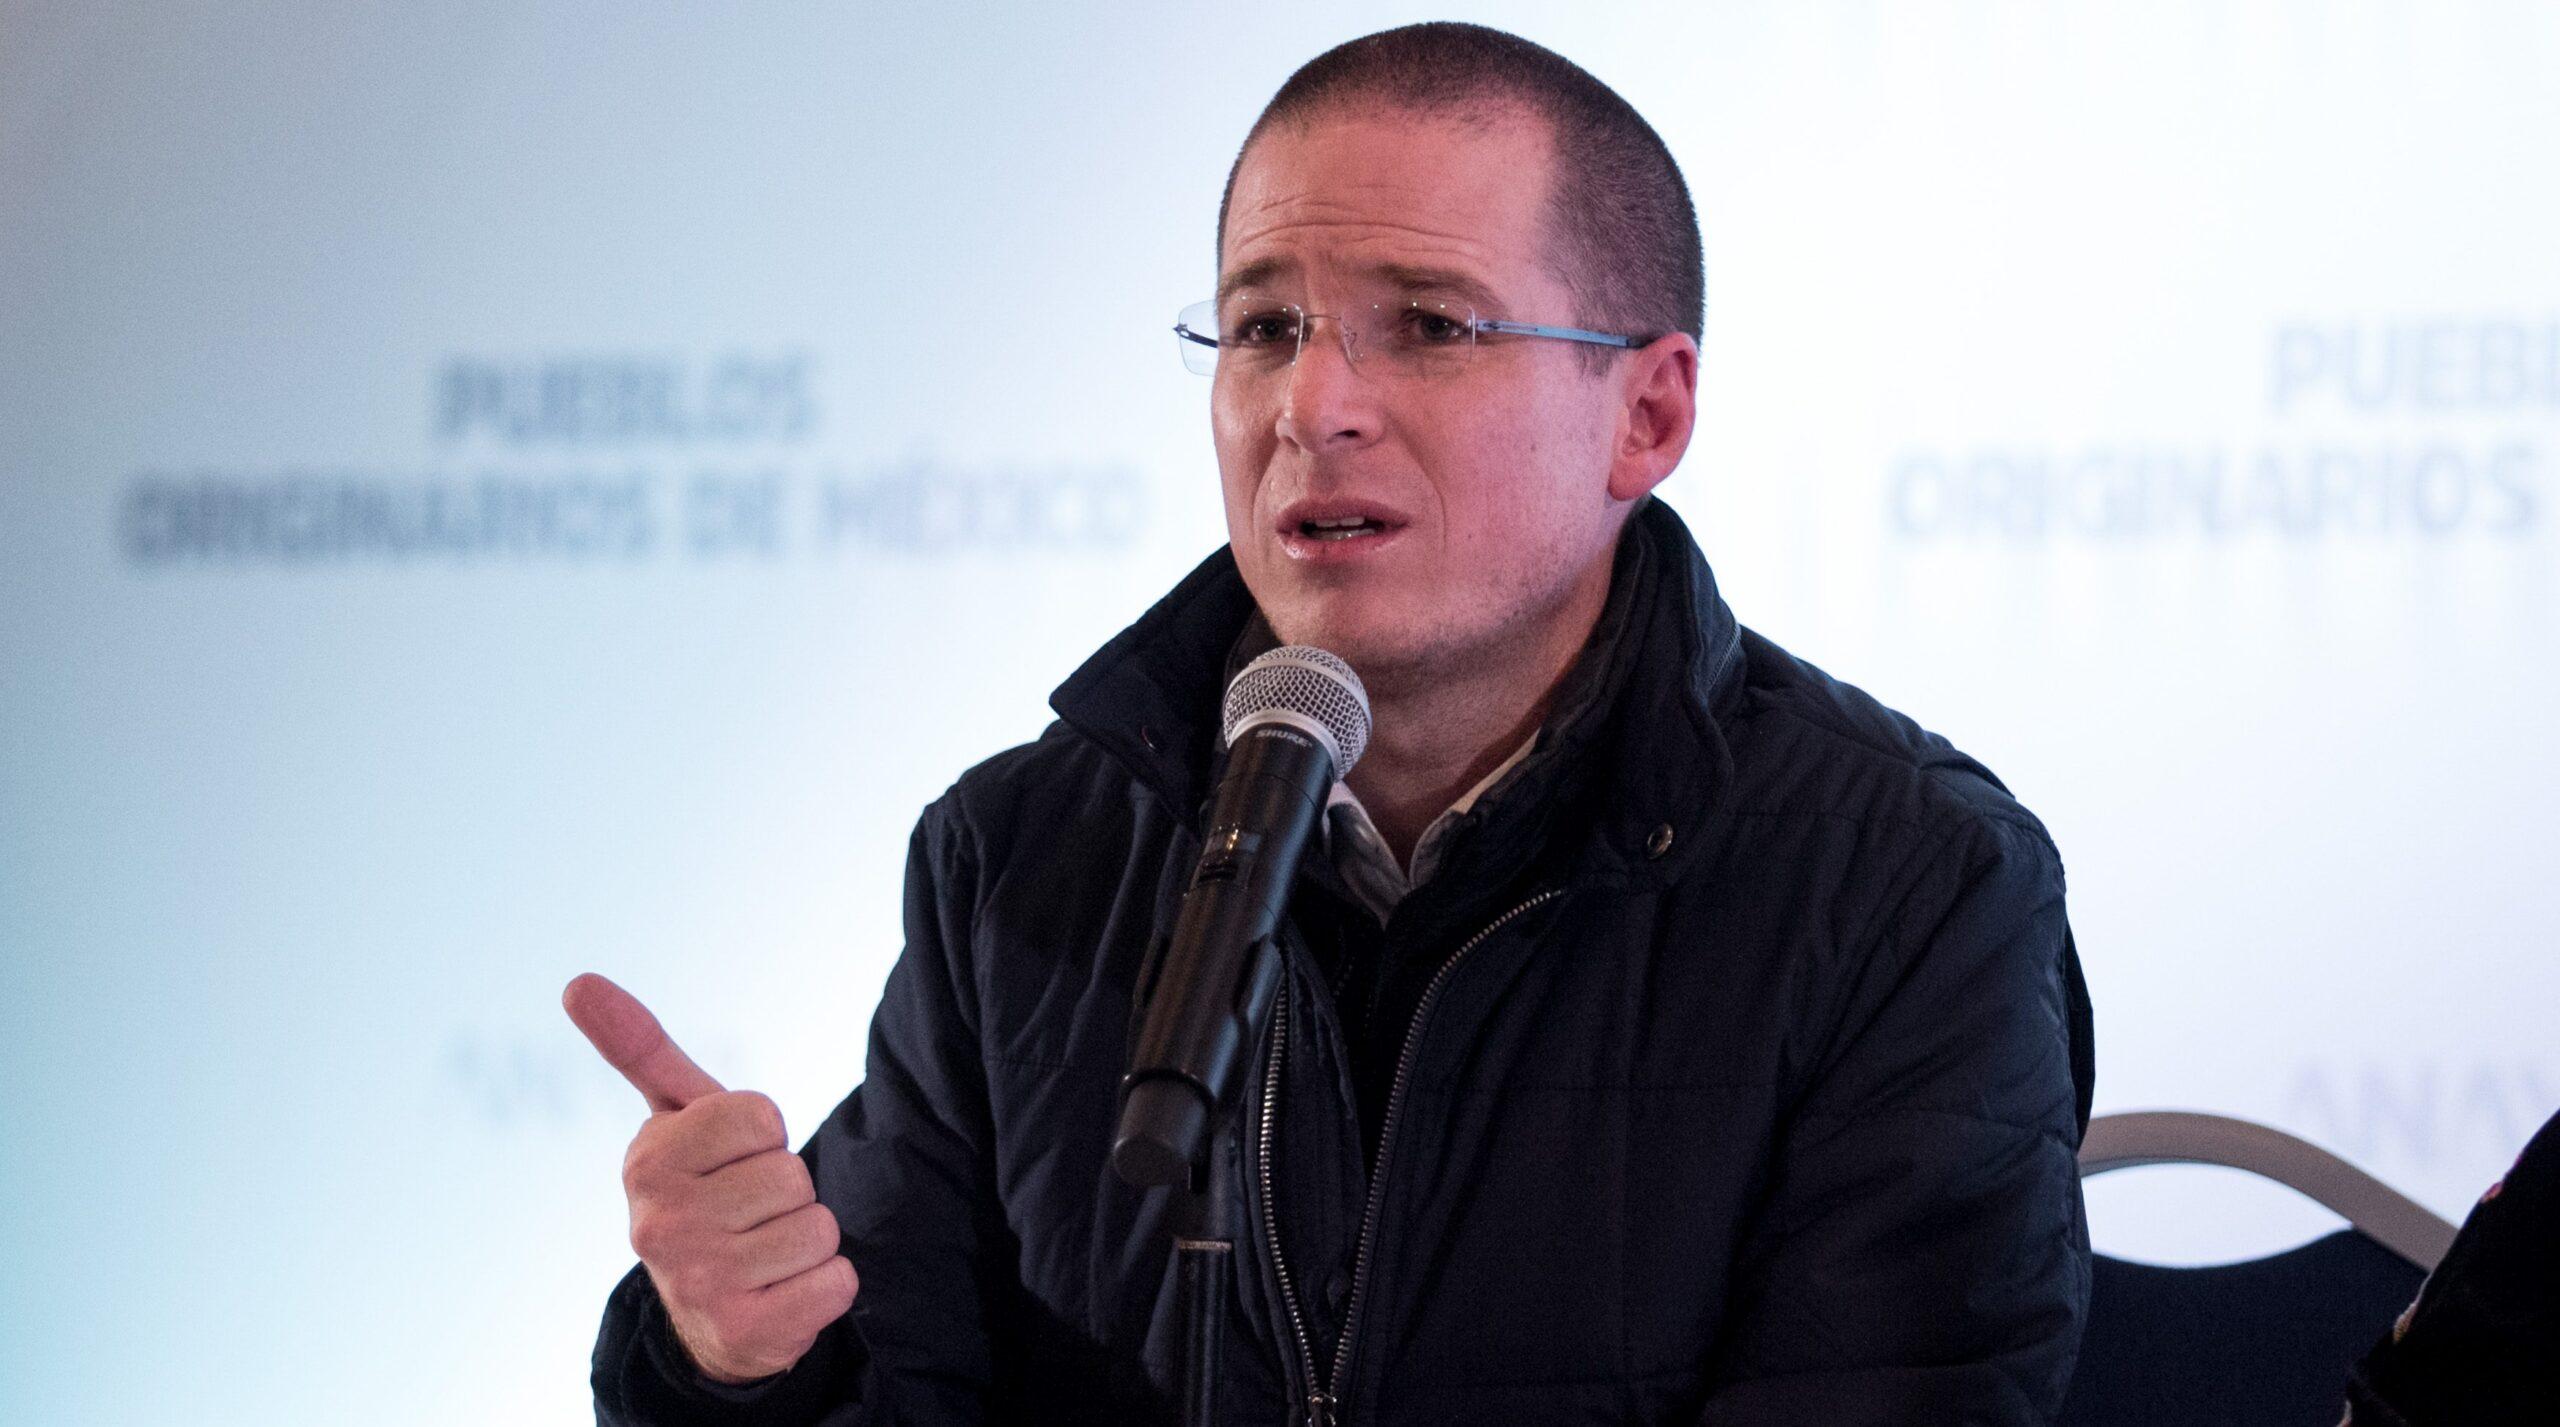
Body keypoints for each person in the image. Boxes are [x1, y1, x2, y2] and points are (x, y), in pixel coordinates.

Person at [570, 22, 2096, 1425]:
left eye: (1427, 325)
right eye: (1263, 327)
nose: (1312, 406)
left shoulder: (1909, 887)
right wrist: (742, 1361)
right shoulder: (1018, 856)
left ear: (1647, 416)